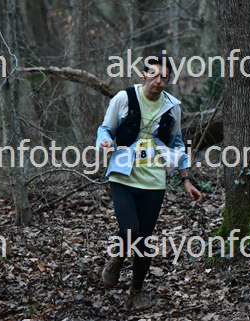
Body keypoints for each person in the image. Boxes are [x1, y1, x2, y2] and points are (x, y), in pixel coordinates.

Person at [96, 53, 203, 310]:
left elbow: (177, 144)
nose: (158, 81)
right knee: (129, 230)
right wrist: (105, 141)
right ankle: (116, 259)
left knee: (144, 239)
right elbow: (105, 128)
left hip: (154, 180)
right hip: (123, 175)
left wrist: (186, 180)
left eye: (164, 77)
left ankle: (137, 291)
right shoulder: (125, 98)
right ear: (144, 74)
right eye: (154, 74)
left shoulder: (172, 107)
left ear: (169, 79)